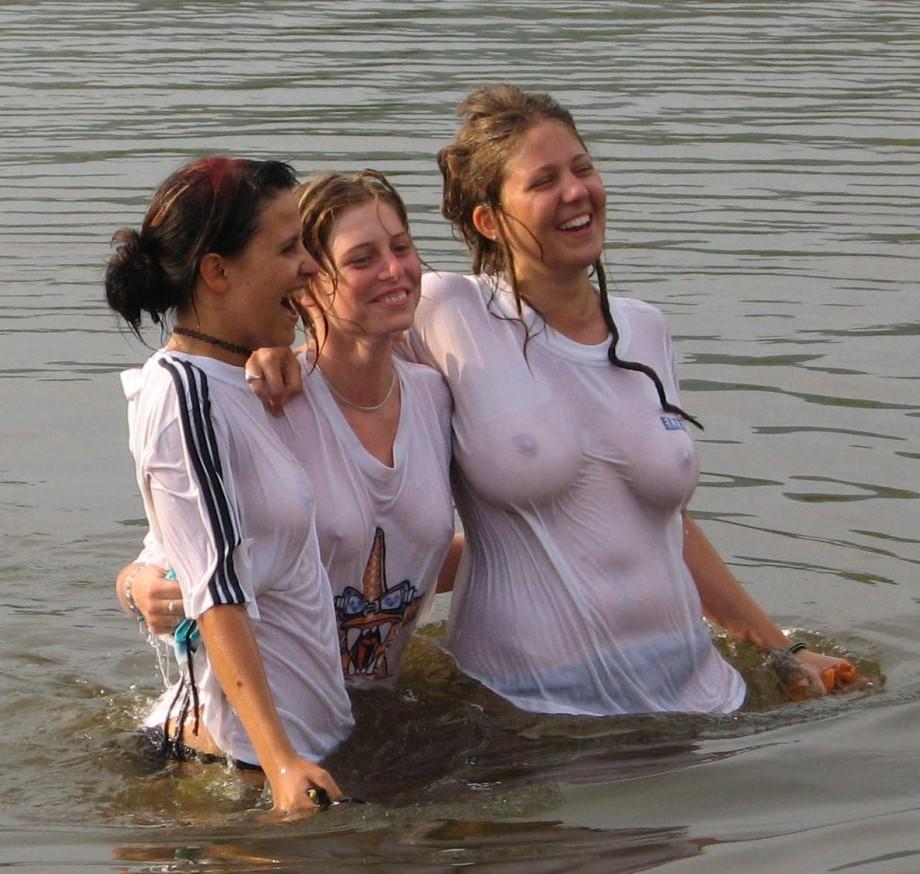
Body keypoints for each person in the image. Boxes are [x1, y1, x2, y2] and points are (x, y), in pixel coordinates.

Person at [399, 84, 854, 716]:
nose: (576, 191)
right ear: (489, 220)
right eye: (544, 181)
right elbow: (334, 342)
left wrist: (781, 651)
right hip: (522, 710)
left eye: (583, 169)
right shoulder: (446, 311)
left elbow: (664, 526)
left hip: (694, 696)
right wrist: (275, 354)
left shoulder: (646, 329)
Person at [116, 170, 459, 685]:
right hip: (270, 726)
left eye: (402, 247)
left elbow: (421, 555)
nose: (394, 270)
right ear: (307, 280)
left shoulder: (436, 397)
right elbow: (172, 561)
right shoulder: (266, 400)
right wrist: (137, 588)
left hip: (365, 712)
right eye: (362, 259)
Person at [106, 156, 353, 815]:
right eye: (289, 247)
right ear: (217, 271)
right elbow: (217, 594)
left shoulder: (231, 382)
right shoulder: (186, 399)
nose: (311, 266)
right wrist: (281, 765)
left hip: (297, 752)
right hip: (242, 772)